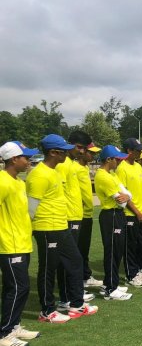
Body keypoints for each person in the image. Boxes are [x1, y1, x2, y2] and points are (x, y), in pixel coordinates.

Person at [26, 134, 98, 322]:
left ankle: (76, 305)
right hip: (46, 227)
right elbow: (31, 208)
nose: (67, 153)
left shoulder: (55, 171)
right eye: (63, 151)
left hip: (61, 225)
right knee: (48, 268)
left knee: (75, 261)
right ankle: (47, 311)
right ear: (53, 152)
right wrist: (29, 230)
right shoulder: (39, 174)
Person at [0, 141, 41, 346]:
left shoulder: (18, 182)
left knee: (16, 288)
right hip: (10, 245)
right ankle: (5, 333)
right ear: (14, 159)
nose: (29, 161)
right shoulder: (2, 182)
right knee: (18, 287)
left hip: (23, 243)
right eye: (26, 157)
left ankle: (13, 326)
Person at [55, 132, 96, 310]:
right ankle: (67, 298)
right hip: (68, 218)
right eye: (79, 147)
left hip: (76, 216)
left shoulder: (71, 164)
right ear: (70, 144)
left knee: (73, 259)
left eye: (83, 148)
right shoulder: (63, 165)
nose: (81, 151)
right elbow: (59, 192)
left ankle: (72, 294)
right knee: (69, 260)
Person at [94, 146, 133, 301]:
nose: (119, 161)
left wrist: (127, 196)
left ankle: (110, 283)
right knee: (112, 251)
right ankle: (110, 288)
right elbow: (121, 201)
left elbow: (127, 194)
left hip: (117, 214)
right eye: (117, 159)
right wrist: (127, 196)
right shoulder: (103, 176)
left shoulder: (111, 175)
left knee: (117, 250)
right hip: (111, 215)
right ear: (109, 159)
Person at [116, 138, 142, 288]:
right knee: (130, 246)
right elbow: (123, 195)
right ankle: (131, 275)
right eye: (137, 150)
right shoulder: (121, 168)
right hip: (130, 214)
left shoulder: (138, 167)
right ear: (129, 151)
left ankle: (135, 270)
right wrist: (137, 212)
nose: (140, 153)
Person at [71, 132, 103, 288]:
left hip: (87, 215)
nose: (93, 155)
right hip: (79, 215)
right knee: (78, 250)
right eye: (91, 152)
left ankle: (85, 276)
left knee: (84, 248)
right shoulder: (74, 168)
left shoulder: (85, 168)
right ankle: (79, 280)